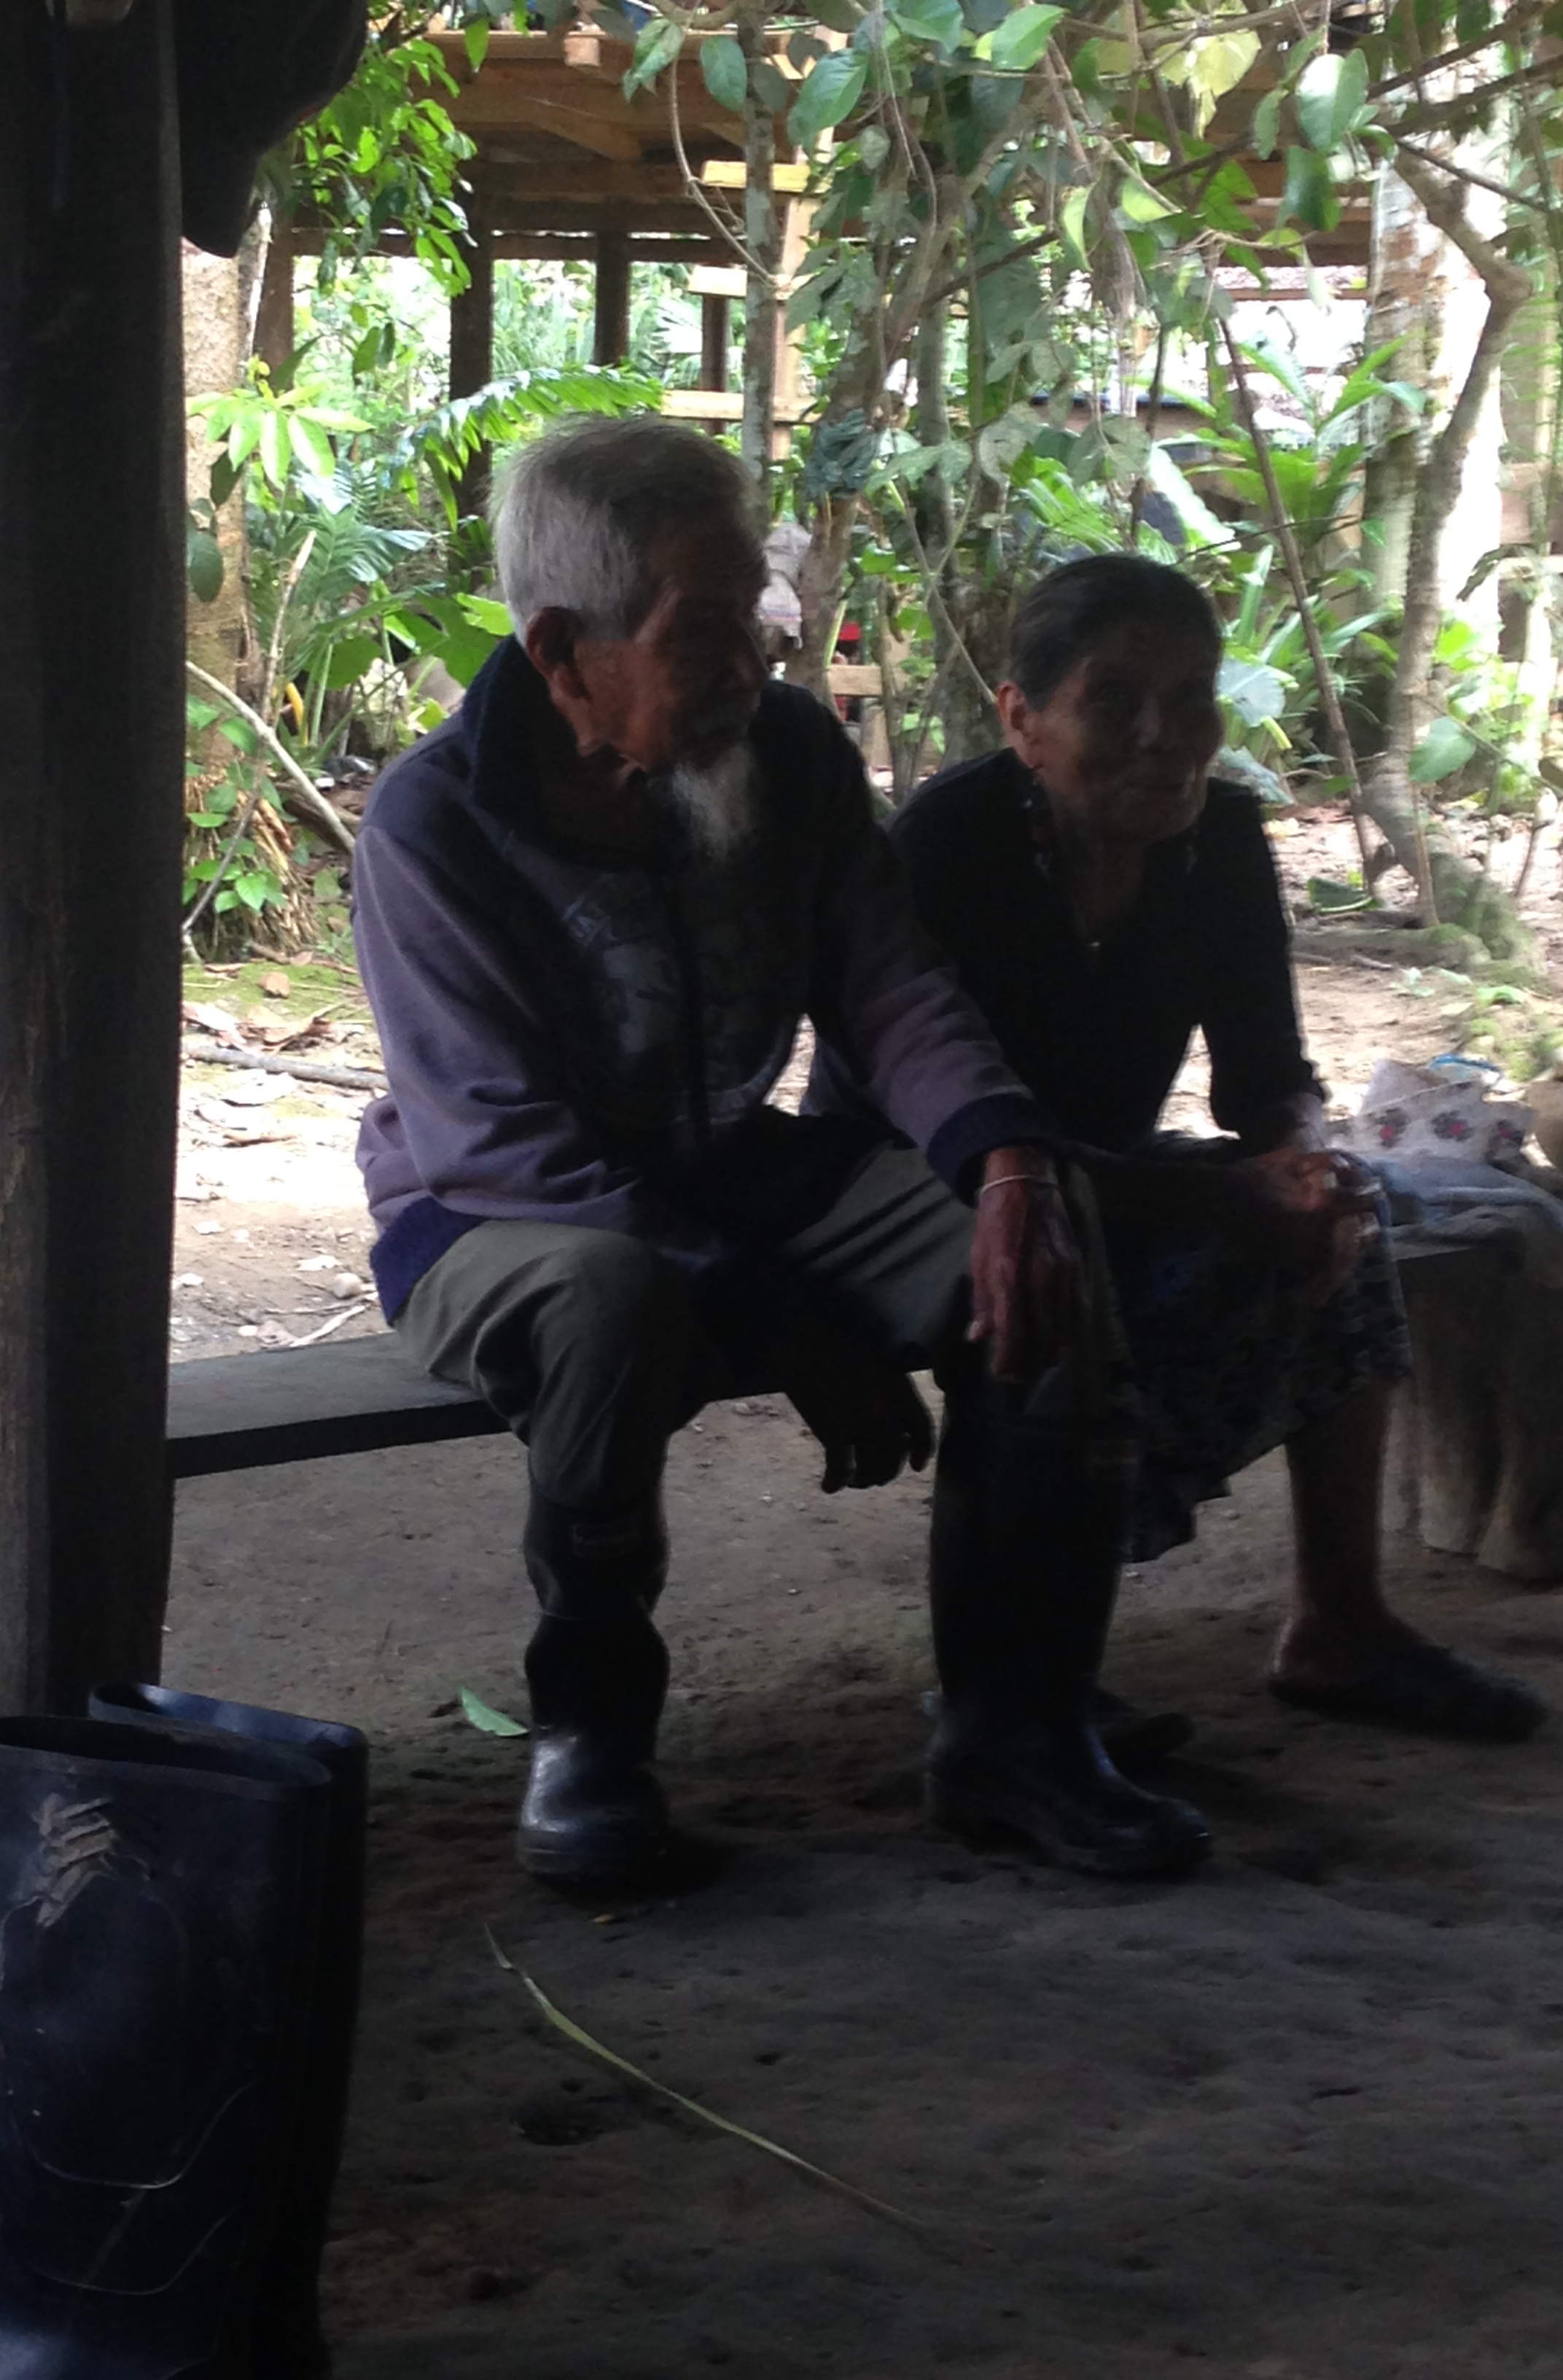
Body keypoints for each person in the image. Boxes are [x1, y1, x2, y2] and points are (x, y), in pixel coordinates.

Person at [350, 416, 1212, 1889]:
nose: (755, 660)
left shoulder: (790, 754)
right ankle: (590, 1734)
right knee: (614, 1297)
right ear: (565, 653)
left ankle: (1017, 1729)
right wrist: (790, 1322)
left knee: (1039, 1237)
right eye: (703, 632)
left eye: (753, 614)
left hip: (732, 1165)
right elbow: (507, 1147)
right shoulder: (436, 825)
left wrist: (1008, 1161)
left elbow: (894, 986)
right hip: (488, 1213)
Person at [814, 553, 1544, 1743]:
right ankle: (1020, 1681)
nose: (1165, 737)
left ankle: (1338, 1625)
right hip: (924, 1184)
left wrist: (1305, 1163)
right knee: (1052, 1262)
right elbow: (956, 1131)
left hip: (1106, 1173)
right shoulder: (949, 846)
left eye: (1192, 697)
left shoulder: (1222, 841)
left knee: (1341, 1229)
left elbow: (1269, 1079)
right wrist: (1219, 1202)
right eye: (1113, 700)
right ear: (1023, 719)